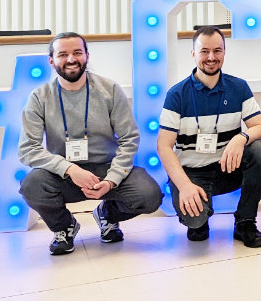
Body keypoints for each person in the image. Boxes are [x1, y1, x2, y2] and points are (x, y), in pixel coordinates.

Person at [19, 32, 162, 255]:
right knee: (31, 186)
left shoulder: (110, 89)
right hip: (64, 173)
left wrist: (112, 180)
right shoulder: (39, 97)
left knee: (149, 195)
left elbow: (129, 138)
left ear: (87, 55)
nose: (71, 59)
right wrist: (69, 169)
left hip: (106, 167)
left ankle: (107, 215)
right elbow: (28, 149)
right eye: (63, 54)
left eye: (77, 52)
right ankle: (64, 227)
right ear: (51, 60)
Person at [156, 26, 261, 247]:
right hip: (192, 172)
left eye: (217, 51)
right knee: (195, 221)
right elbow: (164, 146)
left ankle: (245, 221)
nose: (211, 57)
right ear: (193, 54)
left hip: (227, 167)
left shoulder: (238, 87)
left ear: (224, 52)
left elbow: (260, 127)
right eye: (204, 51)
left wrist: (240, 138)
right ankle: (201, 216)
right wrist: (185, 186)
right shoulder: (176, 94)